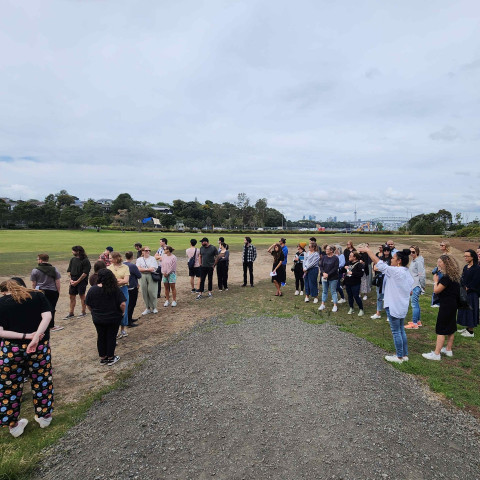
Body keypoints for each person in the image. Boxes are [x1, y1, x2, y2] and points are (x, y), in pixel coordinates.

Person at [0, 279, 54, 437]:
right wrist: (36, 337)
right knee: (42, 379)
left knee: (9, 386)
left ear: (4, 291)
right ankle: (44, 416)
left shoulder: (1, 303)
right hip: (39, 347)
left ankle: (13, 425)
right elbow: (47, 317)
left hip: (12, 349)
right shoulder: (38, 296)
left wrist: (25, 336)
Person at [359, 246, 414, 363]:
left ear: (399, 261)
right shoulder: (406, 273)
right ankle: (404, 354)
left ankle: (399, 356)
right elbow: (410, 290)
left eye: (394, 258)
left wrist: (368, 251)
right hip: (402, 305)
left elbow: (380, 264)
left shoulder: (395, 271)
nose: (391, 260)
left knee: (396, 331)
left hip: (394, 305)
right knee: (401, 330)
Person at [422, 255, 461, 360]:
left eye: (440, 262)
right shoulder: (456, 276)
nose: (438, 264)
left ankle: (436, 354)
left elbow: (436, 290)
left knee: (441, 328)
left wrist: (435, 281)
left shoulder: (446, 277)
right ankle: (448, 349)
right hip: (453, 304)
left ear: (446, 263)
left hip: (446, 305)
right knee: (451, 327)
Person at [85, 269, 126, 366]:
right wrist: (122, 313)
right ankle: (110, 357)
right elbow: (123, 304)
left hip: (98, 318)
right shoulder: (115, 289)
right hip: (113, 317)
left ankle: (103, 358)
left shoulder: (92, 289)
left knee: (101, 336)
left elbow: (88, 304)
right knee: (111, 337)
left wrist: (93, 312)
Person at [30, 253, 62, 332]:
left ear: (40, 260)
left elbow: (34, 283)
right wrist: (58, 291)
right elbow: (57, 282)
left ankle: (41, 325)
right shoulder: (54, 269)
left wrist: (34, 291)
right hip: (52, 291)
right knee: (52, 308)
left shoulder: (35, 270)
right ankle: (51, 325)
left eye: (38, 259)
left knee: (41, 308)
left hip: (40, 291)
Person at [456, 249, 480, 338]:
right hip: (464, 292)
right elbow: (463, 278)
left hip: (472, 293)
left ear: (473, 257)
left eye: (467, 256)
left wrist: (468, 288)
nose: (465, 258)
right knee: (465, 310)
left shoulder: (477, 268)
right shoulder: (466, 267)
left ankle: (470, 331)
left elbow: (476, 282)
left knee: (470, 311)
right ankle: (467, 328)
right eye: (464, 256)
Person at [107, 252, 130, 338]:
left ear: (116, 258)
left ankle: (123, 329)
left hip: (123, 289)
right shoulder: (109, 268)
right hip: (113, 290)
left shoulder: (125, 267)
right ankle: (115, 330)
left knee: (124, 308)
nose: (109, 259)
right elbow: (108, 280)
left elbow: (126, 280)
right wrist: (120, 280)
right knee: (114, 309)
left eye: (110, 258)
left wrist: (116, 281)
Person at [65, 246, 91, 319]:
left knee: (82, 295)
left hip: (82, 281)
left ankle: (83, 311)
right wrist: (71, 280)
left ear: (78, 251)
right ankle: (71, 312)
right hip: (73, 280)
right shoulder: (72, 260)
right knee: (71, 296)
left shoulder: (85, 260)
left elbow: (85, 273)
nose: (72, 252)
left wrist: (77, 281)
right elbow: (69, 270)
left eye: (73, 251)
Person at [405, 245, 426, 329]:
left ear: (417, 252)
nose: (411, 253)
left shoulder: (418, 262)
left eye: (413, 252)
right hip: (413, 285)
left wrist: (422, 286)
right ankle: (417, 321)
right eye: (410, 252)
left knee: (414, 304)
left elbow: (422, 275)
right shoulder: (414, 261)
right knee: (416, 304)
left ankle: (414, 323)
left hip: (416, 285)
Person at [136, 246, 158, 315]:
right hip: (142, 276)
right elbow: (138, 268)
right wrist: (146, 269)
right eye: (146, 250)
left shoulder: (152, 258)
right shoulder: (139, 259)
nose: (148, 252)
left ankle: (154, 307)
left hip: (151, 275)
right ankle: (147, 308)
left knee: (152, 291)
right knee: (144, 292)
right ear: (142, 252)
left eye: (149, 250)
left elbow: (152, 268)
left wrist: (144, 269)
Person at [371, 246, 392, 319]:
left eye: (388, 250)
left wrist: (382, 268)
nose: (386, 252)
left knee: (388, 297)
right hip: (380, 279)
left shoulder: (391, 259)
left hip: (388, 280)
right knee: (379, 296)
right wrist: (384, 268)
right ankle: (378, 312)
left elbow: (390, 269)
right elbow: (375, 268)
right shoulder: (380, 259)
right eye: (385, 250)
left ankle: (389, 314)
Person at [318, 245, 340, 312]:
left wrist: (328, 274)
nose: (326, 250)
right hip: (324, 277)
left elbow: (335, 268)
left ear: (331, 251)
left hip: (333, 278)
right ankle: (323, 304)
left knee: (333, 291)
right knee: (324, 291)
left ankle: (335, 305)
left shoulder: (335, 258)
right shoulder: (324, 257)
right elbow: (321, 266)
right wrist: (323, 273)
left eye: (327, 249)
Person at [343, 251, 365, 316]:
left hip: (355, 283)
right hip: (348, 282)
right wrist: (344, 268)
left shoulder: (359, 265)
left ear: (355, 257)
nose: (349, 257)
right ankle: (351, 307)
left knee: (356, 296)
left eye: (350, 256)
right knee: (349, 296)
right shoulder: (348, 263)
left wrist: (352, 273)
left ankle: (361, 309)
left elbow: (361, 274)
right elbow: (343, 270)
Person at [124, 251, 141, 327]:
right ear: (132, 257)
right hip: (132, 287)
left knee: (128, 304)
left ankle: (129, 318)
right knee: (131, 304)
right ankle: (129, 321)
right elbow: (139, 275)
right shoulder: (132, 266)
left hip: (125, 287)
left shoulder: (123, 264)